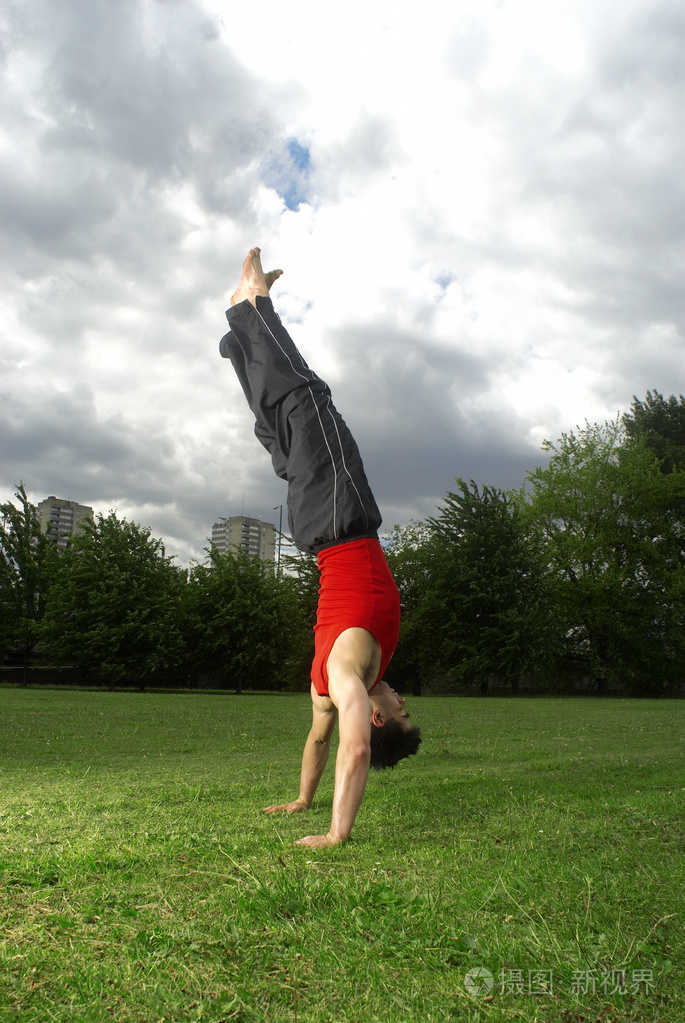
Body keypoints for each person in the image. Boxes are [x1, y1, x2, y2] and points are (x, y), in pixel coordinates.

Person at [220, 248, 421, 848]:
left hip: (340, 517)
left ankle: (254, 305)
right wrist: (303, 799)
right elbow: (318, 741)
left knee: (308, 402)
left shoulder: (350, 678)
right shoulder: (325, 694)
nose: (404, 700)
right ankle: (240, 334)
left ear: (378, 716)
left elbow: (352, 748)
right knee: (281, 434)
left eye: (402, 712)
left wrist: (336, 833)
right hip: (318, 530)